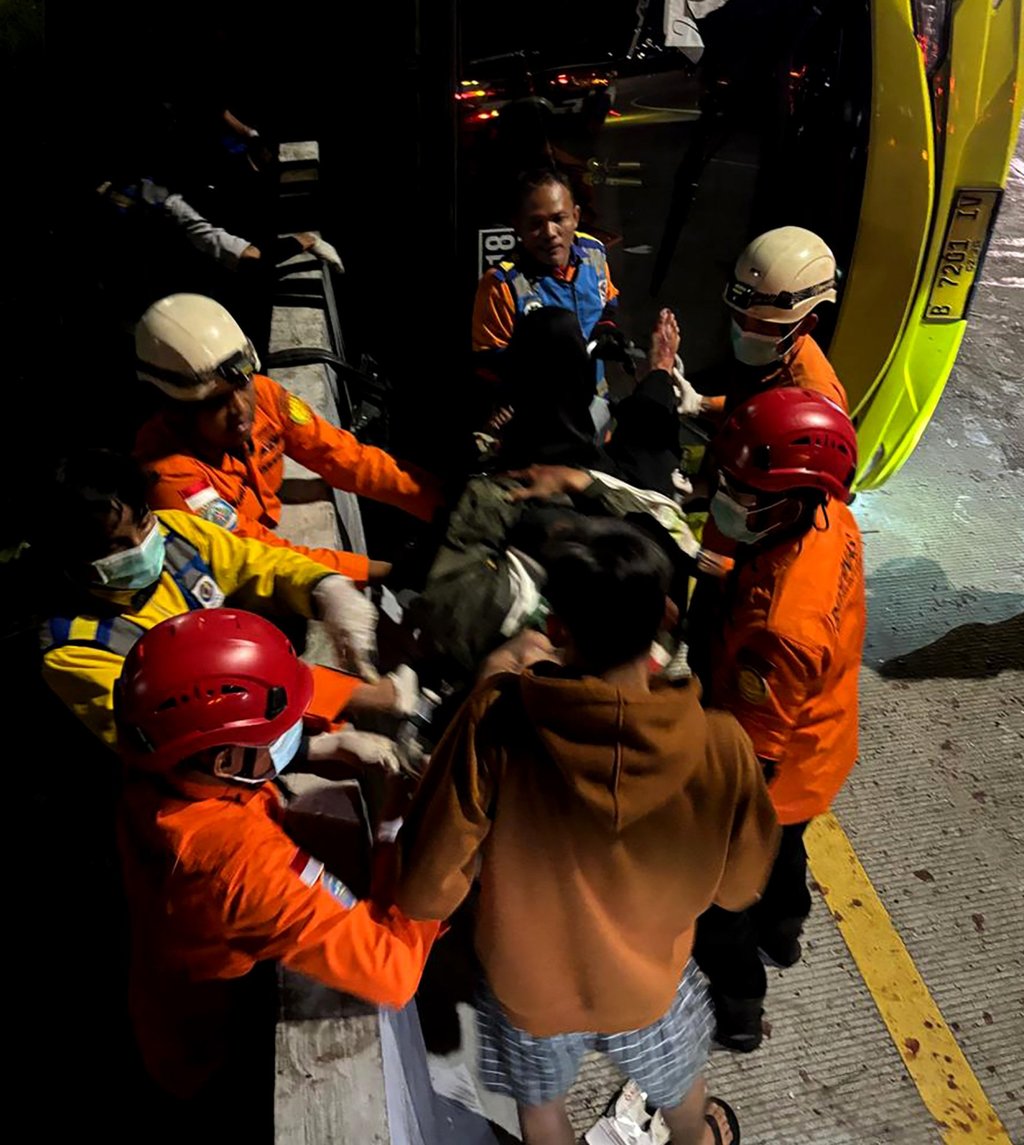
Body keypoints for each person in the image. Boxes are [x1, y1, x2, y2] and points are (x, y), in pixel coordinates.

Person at [397, 518, 779, 1145]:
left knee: (542, 1112)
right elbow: (738, 890)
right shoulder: (721, 745)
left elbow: (424, 892)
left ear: (557, 628)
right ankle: (697, 1138)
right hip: (648, 985)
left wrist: (492, 680)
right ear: (663, 615)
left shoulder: (497, 722)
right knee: (682, 1092)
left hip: (528, 993)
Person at [114, 607, 441, 1102]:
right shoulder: (243, 866)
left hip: (165, 982)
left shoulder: (155, 759)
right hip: (215, 1043)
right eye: (278, 732)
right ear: (226, 759)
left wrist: (312, 749)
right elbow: (393, 973)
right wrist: (406, 831)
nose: (293, 736)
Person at [687, 387, 865, 1052]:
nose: (727, 495)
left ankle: (739, 1005)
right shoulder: (831, 518)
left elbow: (746, 760)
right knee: (789, 857)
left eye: (743, 488)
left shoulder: (782, 629)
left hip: (778, 770)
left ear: (791, 495)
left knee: (725, 896)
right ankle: (785, 932)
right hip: (823, 743)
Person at [38, 449, 413, 754]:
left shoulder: (176, 532)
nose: (142, 546)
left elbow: (260, 563)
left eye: (144, 522)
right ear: (71, 557)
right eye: (118, 546)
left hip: (275, 705)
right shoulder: (74, 649)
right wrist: (325, 734)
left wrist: (325, 589)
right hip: (211, 769)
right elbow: (179, 734)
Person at [133, 294, 442, 581]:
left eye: (244, 386)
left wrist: (447, 508)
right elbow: (261, 556)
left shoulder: (266, 397)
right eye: (216, 402)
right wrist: (385, 572)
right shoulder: (170, 477)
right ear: (173, 408)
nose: (240, 409)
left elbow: (345, 457)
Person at [698, 226, 848, 416]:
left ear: (806, 325)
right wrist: (700, 404)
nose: (745, 331)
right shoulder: (772, 359)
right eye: (740, 316)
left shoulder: (813, 407)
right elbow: (750, 410)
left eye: (763, 324)